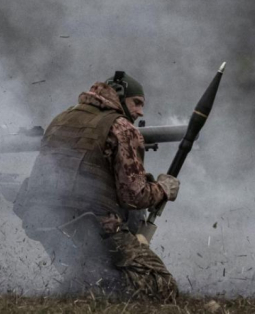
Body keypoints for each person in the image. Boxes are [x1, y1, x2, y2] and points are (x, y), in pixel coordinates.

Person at [13, 71, 180, 300]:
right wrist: (163, 188)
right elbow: (135, 196)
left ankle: (84, 276)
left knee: (94, 263)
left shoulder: (61, 118)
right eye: (137, 103)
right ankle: (92, 285)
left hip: (44, 221)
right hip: (92, 225)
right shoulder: (122, 127)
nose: (140, 111)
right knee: (163, 286)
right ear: (119, 96)